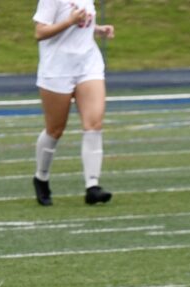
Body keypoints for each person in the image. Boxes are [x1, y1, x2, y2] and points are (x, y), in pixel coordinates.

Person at [31, 0, 115, 206]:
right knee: (55, 129)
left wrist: (96, 29)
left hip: (88, 64)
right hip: (57, 69)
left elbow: (81, 24)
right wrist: (69, 21)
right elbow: (40, 32)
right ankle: (41, 178)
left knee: (94, 124)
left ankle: (92, 186)